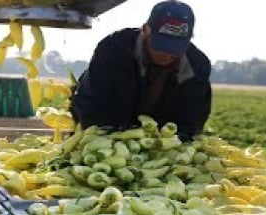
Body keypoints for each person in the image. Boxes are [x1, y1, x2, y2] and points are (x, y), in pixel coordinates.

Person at [69, 0, 212, 142]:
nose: (166, 54)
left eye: (174, 48)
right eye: (160, 45)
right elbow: (90, 103)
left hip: (159, 141)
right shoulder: (113, 49)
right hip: (108, 133)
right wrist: (116, 140)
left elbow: (193, 119)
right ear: (145, 30)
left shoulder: (198, 66)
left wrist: (170, 143)